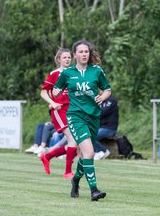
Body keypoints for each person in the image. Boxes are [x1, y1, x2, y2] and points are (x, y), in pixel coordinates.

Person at [53, 39, 111, 201]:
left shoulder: (97, 71)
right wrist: (55, 92)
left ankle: (76, 179)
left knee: (87, 154)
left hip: (93, 116)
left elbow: (107, 89)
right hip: (76, 116)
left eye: (86, 51)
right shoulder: (67, 73)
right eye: (81, 52)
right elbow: (56, 91)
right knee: (90, 152)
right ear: (74, 55)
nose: (84, 54)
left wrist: (102, 97)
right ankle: (94, 190)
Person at [39, 48, 78, 179]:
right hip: (59, 111)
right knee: (73, 139)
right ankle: (67, 172)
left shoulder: (74, 73)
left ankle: (47, 156)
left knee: (75, 142)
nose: (67, 59)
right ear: (59, 60)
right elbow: (43, 92)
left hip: (72, 111)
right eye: (64, 57)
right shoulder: (55, 74)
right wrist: (53, 103)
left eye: (69, 57)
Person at [94, 94, 119, 160]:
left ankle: (103, 151)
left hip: (109, 128)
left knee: (91, 136)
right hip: (99, 127)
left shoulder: (111, 100)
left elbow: (101, 112)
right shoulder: (98, 99)